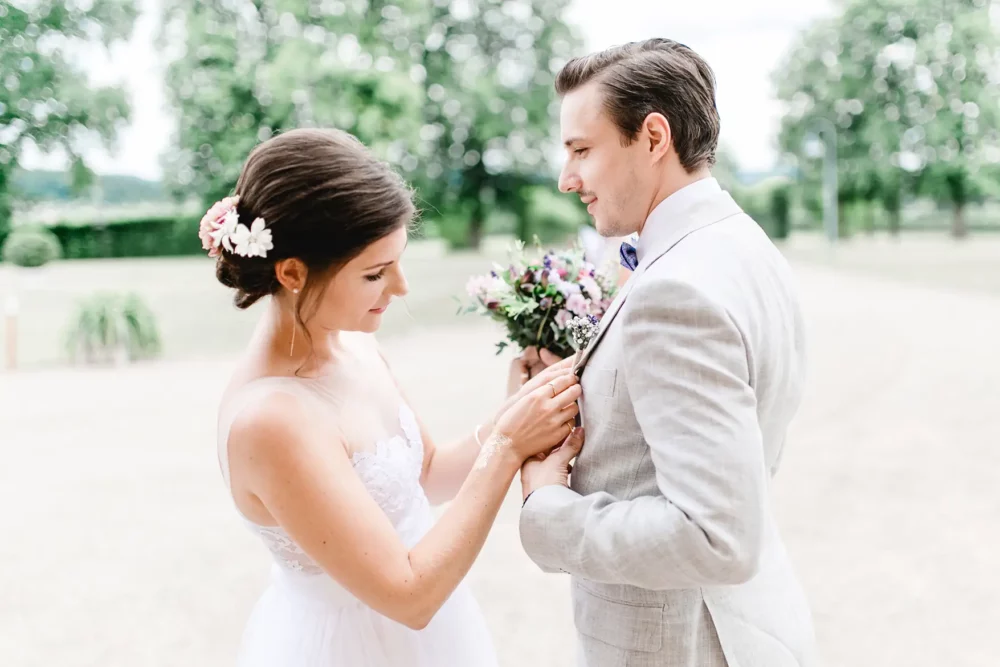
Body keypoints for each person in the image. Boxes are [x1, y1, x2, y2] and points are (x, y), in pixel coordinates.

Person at [207, 127, 583, 667]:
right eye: (376, 273)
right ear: (292, 272)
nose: (401, 288)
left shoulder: (355, 348)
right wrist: (506, 445)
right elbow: (409, 595)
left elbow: (427, 474)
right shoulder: (271, 420)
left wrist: (516, 409)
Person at [515, 39, 818, 666]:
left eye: (581, 150)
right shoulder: (741, 244)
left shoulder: (675, 288)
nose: (567, 178)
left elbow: (713, 535)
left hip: (682, 642)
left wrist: (547, 507)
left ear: (654, 137)